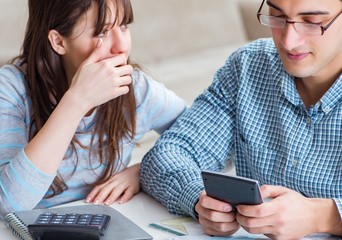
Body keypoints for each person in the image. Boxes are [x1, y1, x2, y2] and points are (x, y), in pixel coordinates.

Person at [140, 0, 342, 238]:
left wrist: (325, 216)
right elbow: (168, 153)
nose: (288, 41)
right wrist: (201, 200)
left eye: (312, 22)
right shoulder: (248, 66)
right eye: (276, 16)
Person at [0, 0, 187, 219]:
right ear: (58, 41)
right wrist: (77, 101)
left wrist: (143, 171)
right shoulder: (12, 88)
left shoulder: (137, 89)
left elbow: (210, 142)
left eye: (124, 26)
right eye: (102, 32)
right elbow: (8, 205)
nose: (121, 46)